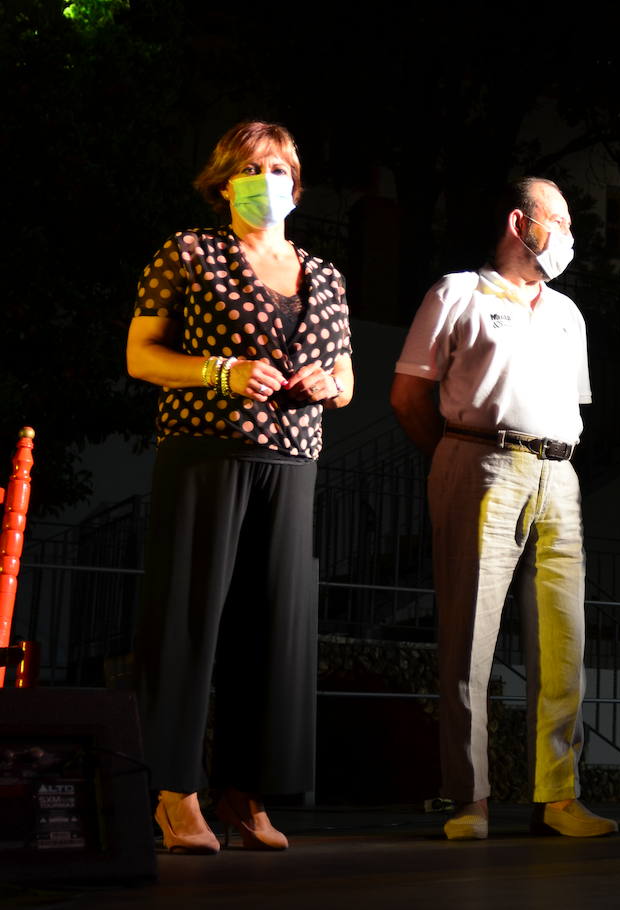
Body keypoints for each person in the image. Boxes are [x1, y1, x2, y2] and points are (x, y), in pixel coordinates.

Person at [127, 121, 353, 854]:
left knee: (274, 629)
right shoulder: (191, 252)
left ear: (297, 182)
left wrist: (330, 385)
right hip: (205, 450)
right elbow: (141, 355)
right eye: (251, 168)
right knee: (189, 620)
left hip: (292, 461)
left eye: (280, 167)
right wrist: (218, 371)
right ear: (224, 182)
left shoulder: (326, 275)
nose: (268, 180)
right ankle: (172, 790)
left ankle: (243, 790)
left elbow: (347, 380)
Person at [391, 177, 615, 840]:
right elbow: (408, 397)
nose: (571, 237)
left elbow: (571, 404)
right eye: (561, 221)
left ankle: (560, 795)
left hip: (560, 473)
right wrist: (455, 458)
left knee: (563, 639)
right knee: (469, 638)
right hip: (480, 459)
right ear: (522, 222)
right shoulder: (457, 292)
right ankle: (470, 798)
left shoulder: (569, 313)